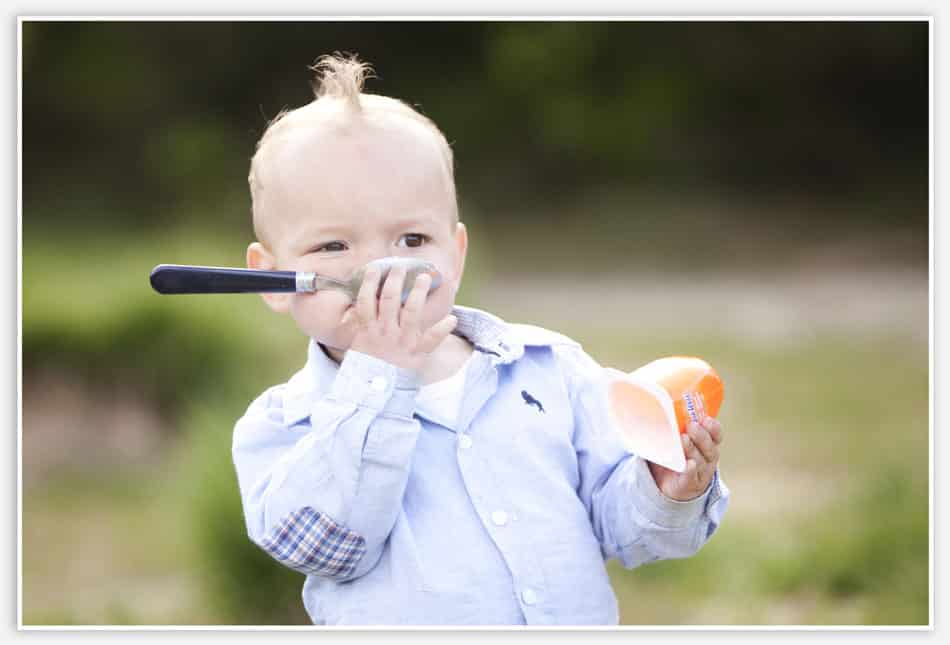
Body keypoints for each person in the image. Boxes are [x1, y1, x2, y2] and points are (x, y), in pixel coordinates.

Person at [231, 53, 730, 626]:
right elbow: (328, 547)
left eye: (412, 238)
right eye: (334, 247)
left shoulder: (551, 371)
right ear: (268, 279)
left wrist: (666, 487)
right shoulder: (280, 427)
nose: (382, 271)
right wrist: (378, 376)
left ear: (457, 254)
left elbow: (627, 532)